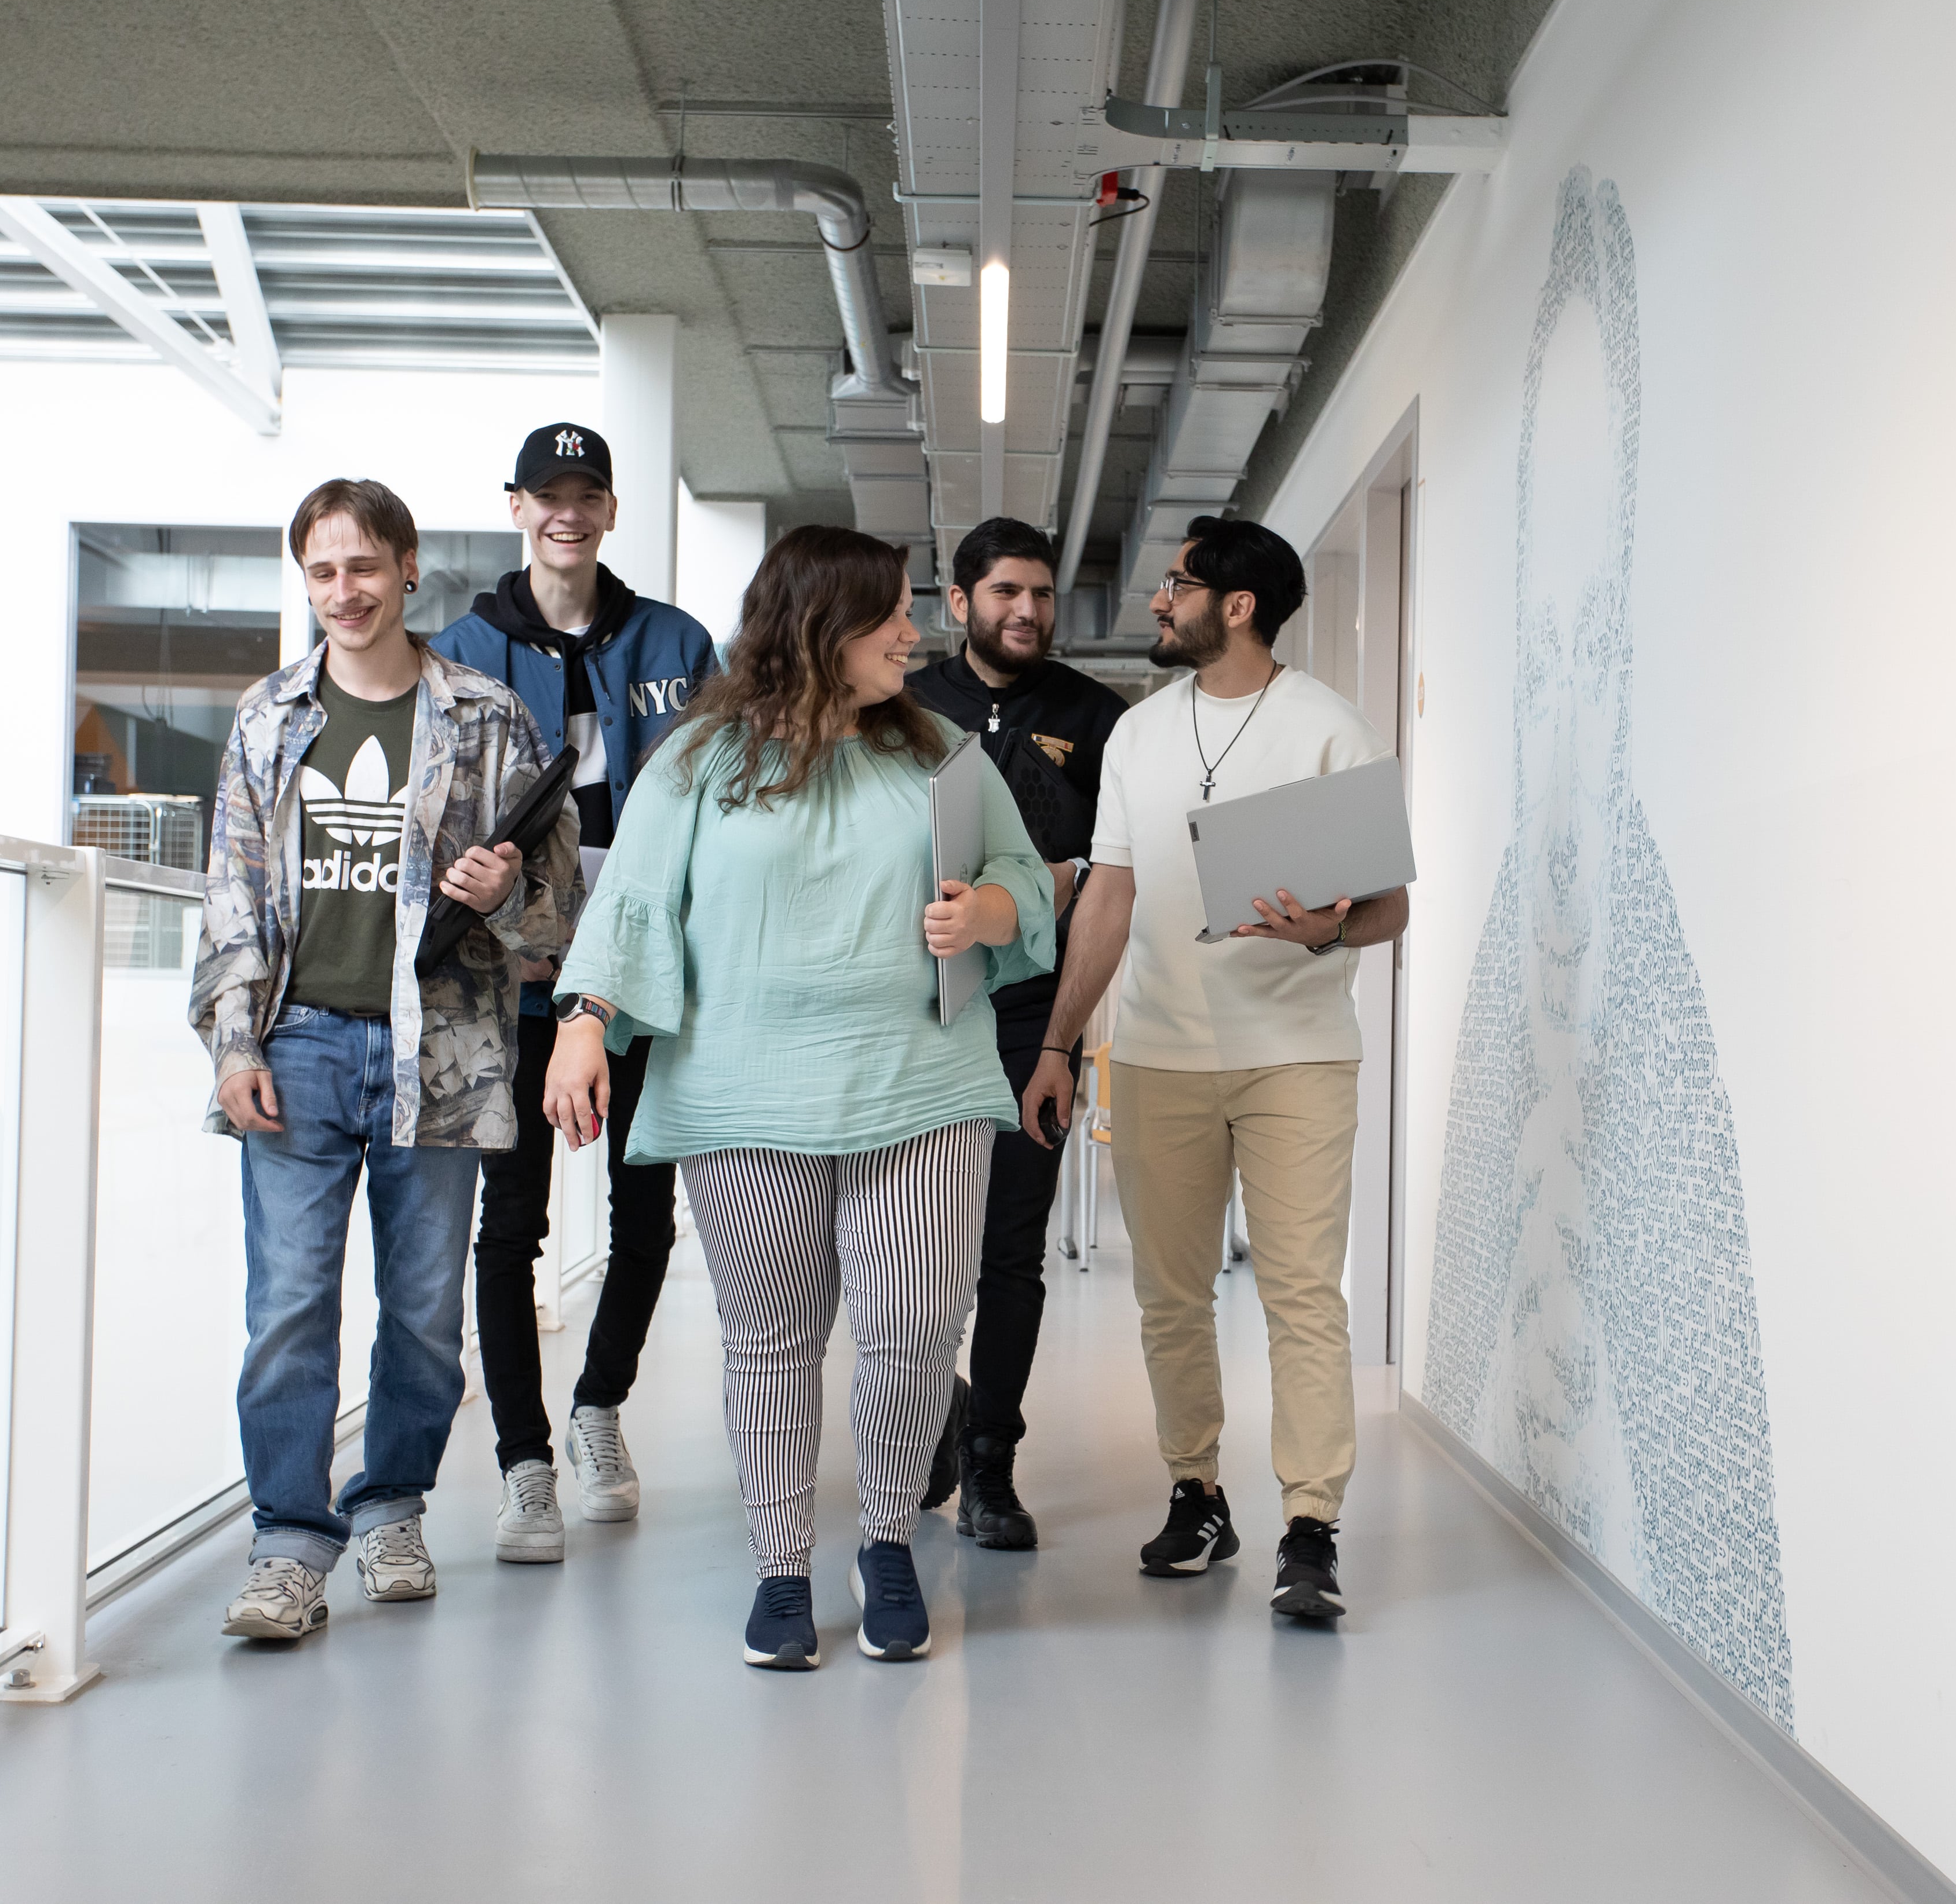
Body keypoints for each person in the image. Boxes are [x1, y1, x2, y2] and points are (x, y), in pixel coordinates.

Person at [543, 525, 1054, 1670]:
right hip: (743, 1093)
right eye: (892, 616)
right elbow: (632, 903)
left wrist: (986, 916)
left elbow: (1025, 881)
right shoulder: (698, 760)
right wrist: (584, 1024)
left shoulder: (939, 751)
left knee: (915, 1333)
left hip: (918, 1083)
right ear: (824, 626)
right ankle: (781, 1562)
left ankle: (883, 1541)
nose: (914, 634)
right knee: (768, 1340)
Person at [191, 477, 581, 1643]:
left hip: (446, 1047)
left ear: (410, 568)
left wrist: (507, 890)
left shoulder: (486, 716)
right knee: (288, 1307)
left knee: (419, 1311)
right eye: (321, 571)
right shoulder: (270, 718)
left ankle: (392, 1505)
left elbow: (552, 913)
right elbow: (231, 893)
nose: (344, 592)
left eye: (364, 566)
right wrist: (231, 1042)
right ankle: (287, 1542)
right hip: (299, 1043)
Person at [1020, 515, 1407, 1624]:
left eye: (1176, 586)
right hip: (1157, 1052)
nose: (1158, 602)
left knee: (1299, 1294)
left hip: (1297, 1054)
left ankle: (1312, 1524)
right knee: (1169, 1298)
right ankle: (1198, 1492)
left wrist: (1324, 932)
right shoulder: (1140, 736)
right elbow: (1110, 893)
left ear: (1235, 606)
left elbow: (1389, 904)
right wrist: (1061, 1042)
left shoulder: (1330, 727)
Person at [432, 422, 719, 1560]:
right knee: (511, 1226)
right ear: (516, 507)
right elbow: (436, 815)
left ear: (608, 509)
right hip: (507, 980)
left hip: (643, 976)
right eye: (547, 494)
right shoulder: (462, 649)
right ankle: (522, 1459)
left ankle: (599, 1405)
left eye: (586, 493)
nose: (567, 512)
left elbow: (711, 807)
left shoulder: (674, 641)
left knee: (646, 1208)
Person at [903, 517, 1126, 1548]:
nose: (1026, 610)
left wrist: (1060, 1050)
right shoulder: (902, 705)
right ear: (961, 604)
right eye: (1004, 592)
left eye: (1040, 593)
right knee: (906, 1251)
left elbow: (1112, 885)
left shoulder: (1096, 717)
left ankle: (992, 1462)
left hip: (1030, 1017)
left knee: (1010, 1253)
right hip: (913, 1007)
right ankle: (920, 1415)